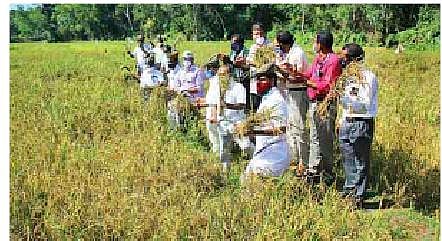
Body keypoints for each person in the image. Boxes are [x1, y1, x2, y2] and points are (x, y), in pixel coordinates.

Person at [338, 43, 378, 207]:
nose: (342, 61)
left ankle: (358, 197)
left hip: (361, 123)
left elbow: (365, 104)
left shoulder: (369, 77)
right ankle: (349, 190)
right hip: (347, 122)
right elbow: (344, 102)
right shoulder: (347, 77)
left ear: (354, 59)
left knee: (360, 161)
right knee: (348, 160)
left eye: (345, 58)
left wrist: (346, 101)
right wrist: (341, 118)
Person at [298, 30, 342, 178]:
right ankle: (314, 170)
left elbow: (326, 86)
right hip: (315, 102)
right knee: (314, 136)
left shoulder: (333, 60)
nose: (313, 45)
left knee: (326, 139)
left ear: (321, 44)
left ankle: (328, 172)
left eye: (315, 42)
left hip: (326, 103)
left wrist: (307, 83)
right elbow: (308, 74)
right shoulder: (318, 59)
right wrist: (294, 74)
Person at [239, 64, 289, 181]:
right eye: (257, 80)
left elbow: (281, 129)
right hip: (263, 151)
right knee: (246, 181)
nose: (258, 83)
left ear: (272, 81)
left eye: (262, 80)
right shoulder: (266, 98)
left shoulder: (277, 101)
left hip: (274, 153)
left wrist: (254, 132)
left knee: (254, 184)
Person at [274, 31, 309, 176]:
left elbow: (298, 77)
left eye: (278, 44)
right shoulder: (287, 54)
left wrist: (283, 72)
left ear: (284, 44)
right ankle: (293, 159)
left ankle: (304, 161)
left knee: (299, 127)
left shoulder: (297, 54)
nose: (277, 47)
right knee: (290, 126)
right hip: (289, 92)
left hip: (298, 92)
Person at [167, 50, 205, 130]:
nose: (187, 61)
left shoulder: (198, 71)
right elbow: (176, 86)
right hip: (182, 99)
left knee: (194, 120)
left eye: (189, 59)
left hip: (194, 100)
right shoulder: (180, 72)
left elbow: (199, 88)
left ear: (192, 60)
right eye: (185, 59)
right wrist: (180, 91)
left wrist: (187, 90)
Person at [246, 23, 272, 113]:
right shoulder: (252, 47)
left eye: (260, 34)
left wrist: (255, 63)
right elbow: (249, 62)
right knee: (255, 106)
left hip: (265, 82)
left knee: (266, 107)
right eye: (256, 34)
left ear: (264, 34)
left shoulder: (269, 46)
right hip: (254, 81)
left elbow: (269, 62)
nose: (258, 36)